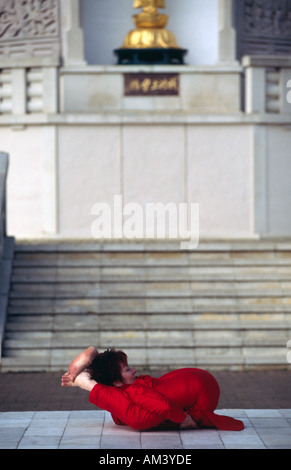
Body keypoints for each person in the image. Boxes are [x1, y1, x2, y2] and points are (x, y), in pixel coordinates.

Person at [61, 346, 244, 432]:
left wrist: (185, 419)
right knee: (122, 416)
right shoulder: (134, 388)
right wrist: (183, 419)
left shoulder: (133, 388)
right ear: (116, 381)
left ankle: (90, 383)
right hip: (199, 380)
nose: (134, 370)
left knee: (137, 419)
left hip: (204, 392)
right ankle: (91, 377)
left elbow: (163, 406)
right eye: (127, 369)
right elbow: (162, 405)